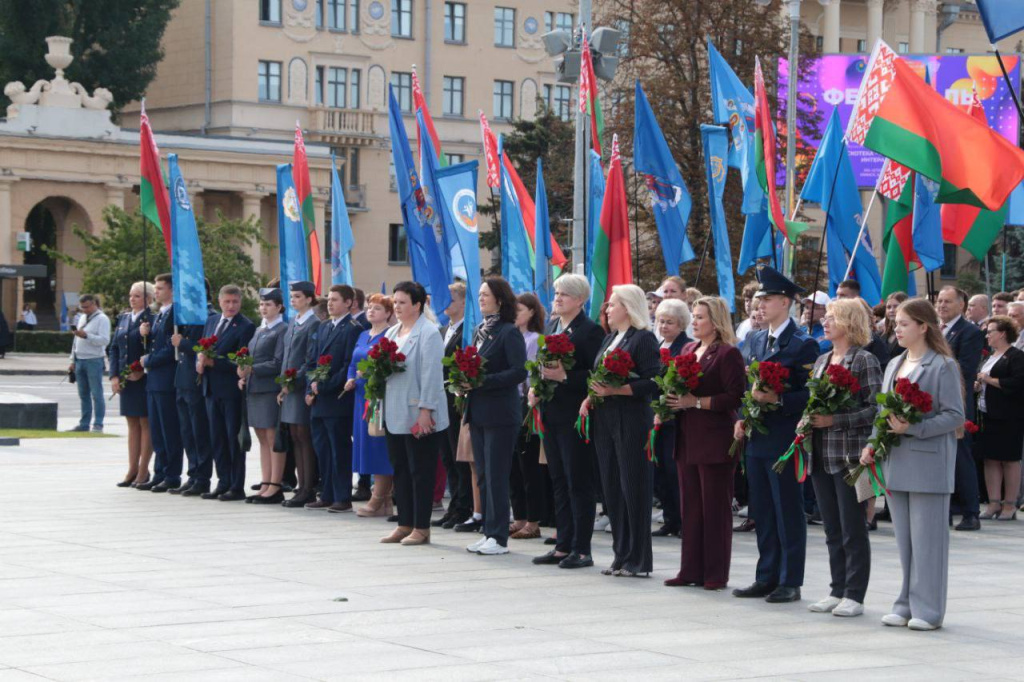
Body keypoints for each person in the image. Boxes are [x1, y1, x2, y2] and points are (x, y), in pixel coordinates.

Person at [862, 299, 964, 631]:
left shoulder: (943, 365)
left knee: (928, 543)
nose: (898, 329)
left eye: (905, 323)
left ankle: (929, 609)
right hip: (896, 460)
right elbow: (882, 413)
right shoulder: (894, 364)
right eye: (897, 323)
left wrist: (915, 428)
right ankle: (905, 602)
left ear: (924, 326)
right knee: (905, 542)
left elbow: (955, 416)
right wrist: (872, 444)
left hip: (929, 464)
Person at [732, 266, 819, 604]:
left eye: (766, 299)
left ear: (785, 302)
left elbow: (810, 394)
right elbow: (746, 386)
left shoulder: (802, 344)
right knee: (762, 510)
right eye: (759, 299)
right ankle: (766, 575)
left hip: (784, 438)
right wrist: (741, 418)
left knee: (787, 510)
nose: (760, 304)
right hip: (757, 437)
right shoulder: (753, 339)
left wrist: (779, 399)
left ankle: (790, 579)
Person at [805, 299, 882, 618]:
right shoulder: (823, 359)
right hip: (821, 455)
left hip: (850, 457)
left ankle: (855, 594)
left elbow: (876, 409)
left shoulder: (864, 360)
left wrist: (836, 420)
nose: (825, 321)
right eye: (826, 317)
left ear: (850, 322)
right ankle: (837, 589)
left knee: (853, 527)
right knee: (832, 527)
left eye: (832, 317)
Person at [663, 296, 744, 590]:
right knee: (692, 507)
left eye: (700, 317)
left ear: (716, 321)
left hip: (715, 438)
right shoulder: (687, 349)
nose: (694, 322)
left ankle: (715, 572)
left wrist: (695, 402)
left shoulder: (727, 353)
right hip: (687, 437)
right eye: (694, 316)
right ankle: (690, 569)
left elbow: (734, 397)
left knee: (715, 509)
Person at [581, 284, 661, 577]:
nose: (607, 309)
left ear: (628, 307)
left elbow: (654, 381)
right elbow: (598, 376)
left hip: (631, 420)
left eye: (613, 304)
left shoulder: (643, 339)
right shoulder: (611, 339)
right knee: (613, 488)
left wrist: (620, 389)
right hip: (605, 419)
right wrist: (590, 397)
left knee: (634, 488)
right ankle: (621, 554)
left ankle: (638, 559)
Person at [530, 273, 605, 570]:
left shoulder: (590, 331)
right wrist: (537, 385)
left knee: (578, 483)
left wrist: (565, 376)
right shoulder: (551, 326)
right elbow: (542, 365)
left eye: (564, 294)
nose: (557, 298)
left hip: (576, 416)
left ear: (580, 300)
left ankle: (582, 548)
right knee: (558, 480)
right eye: (557, 293)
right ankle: (563, 544)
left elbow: (596, 374)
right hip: (551, 412)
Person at [461, 277, 528, 556]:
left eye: (486, 294)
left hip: (500, 413)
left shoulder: (508, 331)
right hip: (478, 411)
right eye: (479, 295)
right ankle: (489, 530)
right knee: (484, 476)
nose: (481, 299)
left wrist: (481, 381)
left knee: (497, 475)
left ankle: (499, 536)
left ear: (500, 299)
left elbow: (518, 371)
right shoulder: (481, 330)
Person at [380, 281, 448, 545]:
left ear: (417, 305)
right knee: (400, 470)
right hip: (394, 411)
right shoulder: (392, 333)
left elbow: (432, 375)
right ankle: (404, 523)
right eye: (394, 302)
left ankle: (422, 527)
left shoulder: (429, 333)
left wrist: (425, 411)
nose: (396, 307)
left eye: (402, 302)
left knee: (421, 471)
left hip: (419, 412)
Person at [305, 285, 362, 512]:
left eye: (335, 300)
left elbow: (349, 364)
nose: (330, 303)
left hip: (337, 398)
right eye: (329, 299)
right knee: (322, 449)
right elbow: (312, 360)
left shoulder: (352, 329)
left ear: (349, 303)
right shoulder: (324, 326)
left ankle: (342, 496)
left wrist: (325, 386)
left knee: (339, 449)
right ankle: (326, 493)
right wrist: (310, 388)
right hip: (319, 400)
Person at [198, 285, 256, 501]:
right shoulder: (212, 321)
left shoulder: (245, 326)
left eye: (235, 302)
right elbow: (204, 347)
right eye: (227, 302)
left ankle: (236, 484)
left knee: (233, 439)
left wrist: (214, 362)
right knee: (217, 438)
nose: (231, 306)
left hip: (231, 389)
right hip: (211, 388)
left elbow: (241, 361)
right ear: (220, 302)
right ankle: (222, 481)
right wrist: (200, 360)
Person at [935, 286, 984, 531]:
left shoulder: (969, 332)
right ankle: (944, 511)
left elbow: (965, 369)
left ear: (961, 305)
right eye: (940, 301)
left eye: (948, 301)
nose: (942, 305)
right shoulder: (933, 330)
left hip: (956, 403)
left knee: (961, 458)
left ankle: (970, 513)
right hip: (933, 405)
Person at [345, 293, 395, 517]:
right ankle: (384, 500)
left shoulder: (389, 335)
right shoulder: (363, 334)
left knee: (378, 446)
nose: (371, 311)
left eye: (377, 308)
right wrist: (350, 377)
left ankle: (379, 496)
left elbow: (391, 366)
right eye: (369, 307)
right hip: (359, 396)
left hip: (377, 397)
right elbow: (353, 362)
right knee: (365, 444)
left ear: (388, 313)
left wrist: (371, 373)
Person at [975, 315, 1024, 521]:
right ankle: (993, 502)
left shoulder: (1016, 356)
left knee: (1009, 460)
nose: (987, 335)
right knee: (990, 459)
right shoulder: (990, 356)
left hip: (1009, 416)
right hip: (987, 415)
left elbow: (1017, 383)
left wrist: (988, 379)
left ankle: (1009, 504)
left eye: (991, 331)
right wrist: (978, 385)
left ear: (1002, 334)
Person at [240, 288, 287, 504]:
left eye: (268, 304)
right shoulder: (260, 330)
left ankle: (276, 484)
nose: (263, 308)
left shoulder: (281, 329)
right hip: (255, 388)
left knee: (271, 437)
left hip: (269, 389)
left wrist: (253, 369)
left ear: (278, 307)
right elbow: (250, 357)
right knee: (261, 437)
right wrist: (243, 374)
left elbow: (278, 362)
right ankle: (266, 482)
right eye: (261, 304)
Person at [139, 274, 184, 493]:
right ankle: (160, 472)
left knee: (169, 430)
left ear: (172, 290)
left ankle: (172, 473)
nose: (155, 292)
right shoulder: (158, 314)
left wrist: (149, 360)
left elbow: (168, 349)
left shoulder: (175, 313)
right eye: (155, 288)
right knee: (157, 430)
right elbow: (153, 343)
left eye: (160, 288)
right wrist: (144, 334)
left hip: (166, 379)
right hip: (154, 381)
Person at [171, 279, 215, 496]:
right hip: (183, 380)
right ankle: (193, 473)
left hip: (196, 381)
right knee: (187, 432)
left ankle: (203, 477)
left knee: (199, 432)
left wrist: (183, 343)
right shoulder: (185, 315)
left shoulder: (208, 316)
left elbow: (204, 346)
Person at [651, 298, 691, 538]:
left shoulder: (685, 348)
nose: (664, 326)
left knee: (674, 470)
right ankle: (670, 519)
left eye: (670, 322)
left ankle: (684, 521)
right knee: (659, 471)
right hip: (654, 416)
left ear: (681, 324)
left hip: (675, 418)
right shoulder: (655, 344)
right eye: (660, 321)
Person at [434, 283, 473, 530]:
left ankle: (464, 506)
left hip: (457, 400)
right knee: (447, 456)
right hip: (441, 400)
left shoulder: (467, 331)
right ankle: (455, 506)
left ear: (462, 303)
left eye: (450, 298)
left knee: (459, 457)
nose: (445, 302)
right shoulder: (442, 331)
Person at [509, 292, 548, 540]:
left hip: (527, 404)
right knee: (513, 466)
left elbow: (532, 374)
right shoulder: (513, 336)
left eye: (519, 309)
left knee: (528, 466)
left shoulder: (534, 339)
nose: (515, 314)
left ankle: (533, 520)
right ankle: (520, 516)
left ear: (532, 312)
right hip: (509, 404)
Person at [278, 281, 320, 507]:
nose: (292, 300)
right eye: (291, 296)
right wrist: (283, 383)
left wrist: (292, 381)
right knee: (295, 437)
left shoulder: (313, 323)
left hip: (299, 386)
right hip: (289, 387)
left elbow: (309, 359)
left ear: (309, 299)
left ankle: (308, 488)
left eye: (296, 297)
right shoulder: (294, 321)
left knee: (304, 437)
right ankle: (301, 486)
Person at [109, 282, 154, 487]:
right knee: (131, 424)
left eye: (137, 296)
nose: (132, 299)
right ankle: (132, 468)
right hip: (126, 378)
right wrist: (114, 376)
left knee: (145, 424)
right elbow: (115, 348)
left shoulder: (151, 319)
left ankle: (143, 470)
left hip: (143, 378)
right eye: (131, 295)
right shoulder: (124, 318)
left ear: (148, 299)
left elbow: (153, 349)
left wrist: (142, 370)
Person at [68, 294, 111, 433]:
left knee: (96, 393)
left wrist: (87, 335)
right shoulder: (82, 317)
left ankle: (98, 424)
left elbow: (105, 340)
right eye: (82, 307)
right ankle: (84, 424)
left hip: (94, 359)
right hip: (80, 359)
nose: (84, 310)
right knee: (83, 394)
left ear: (94, 304)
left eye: (86, 307)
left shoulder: (102, 319)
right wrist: (72, 360)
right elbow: (75, 340)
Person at [883, 292, 909, 360]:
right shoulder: (882, 335)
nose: (891, 310)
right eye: (888, 307)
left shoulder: (910, 333)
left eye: (896, 306)